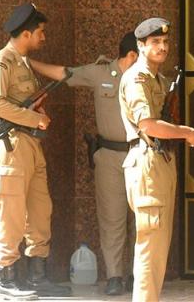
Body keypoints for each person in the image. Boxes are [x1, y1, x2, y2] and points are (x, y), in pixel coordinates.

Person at [30, 32, 139, 295]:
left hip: (140, 155)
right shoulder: (101, 73)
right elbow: (64, 73)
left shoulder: (149, 78)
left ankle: (139, 275)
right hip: (110, 156)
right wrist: (27, 61)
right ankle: (115, 276)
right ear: (133, 55)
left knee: (141, 220)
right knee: (112, 218)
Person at [119, 17, 194, 302]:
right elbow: (149, 125)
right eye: (155, 42)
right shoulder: (137, 78)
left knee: (158, 246)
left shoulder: (159, 79)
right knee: (150, 245)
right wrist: (187, 133)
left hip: (160, 161)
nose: (162, 47)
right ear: (141, 46)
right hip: (147, 162)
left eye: (165, 42)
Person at [0, 3, 71, 300]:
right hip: (11, 144)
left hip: (30, 144)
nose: (43, 37)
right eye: (40, 32)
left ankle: (38, 275)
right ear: (25, 33)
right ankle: (6, 280)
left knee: (39, 209)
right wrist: (35, 118)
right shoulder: (3, 62)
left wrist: (37, 111)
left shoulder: (23, 62)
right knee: (11, 211)